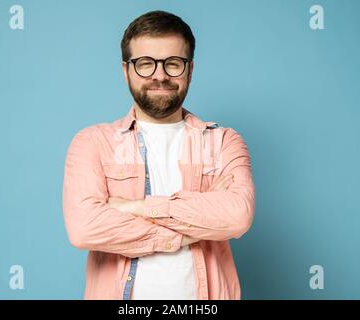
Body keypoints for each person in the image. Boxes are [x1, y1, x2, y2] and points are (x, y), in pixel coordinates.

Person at [62, 10, 255, 300]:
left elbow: (237, 216)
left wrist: (134, 207)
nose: (160, 75)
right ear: (126, 70)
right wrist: (185, 234)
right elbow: (83, 228)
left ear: (190, 70)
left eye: (173, 64)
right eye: (145, 64)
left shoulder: (224, 141)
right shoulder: (92, 143)